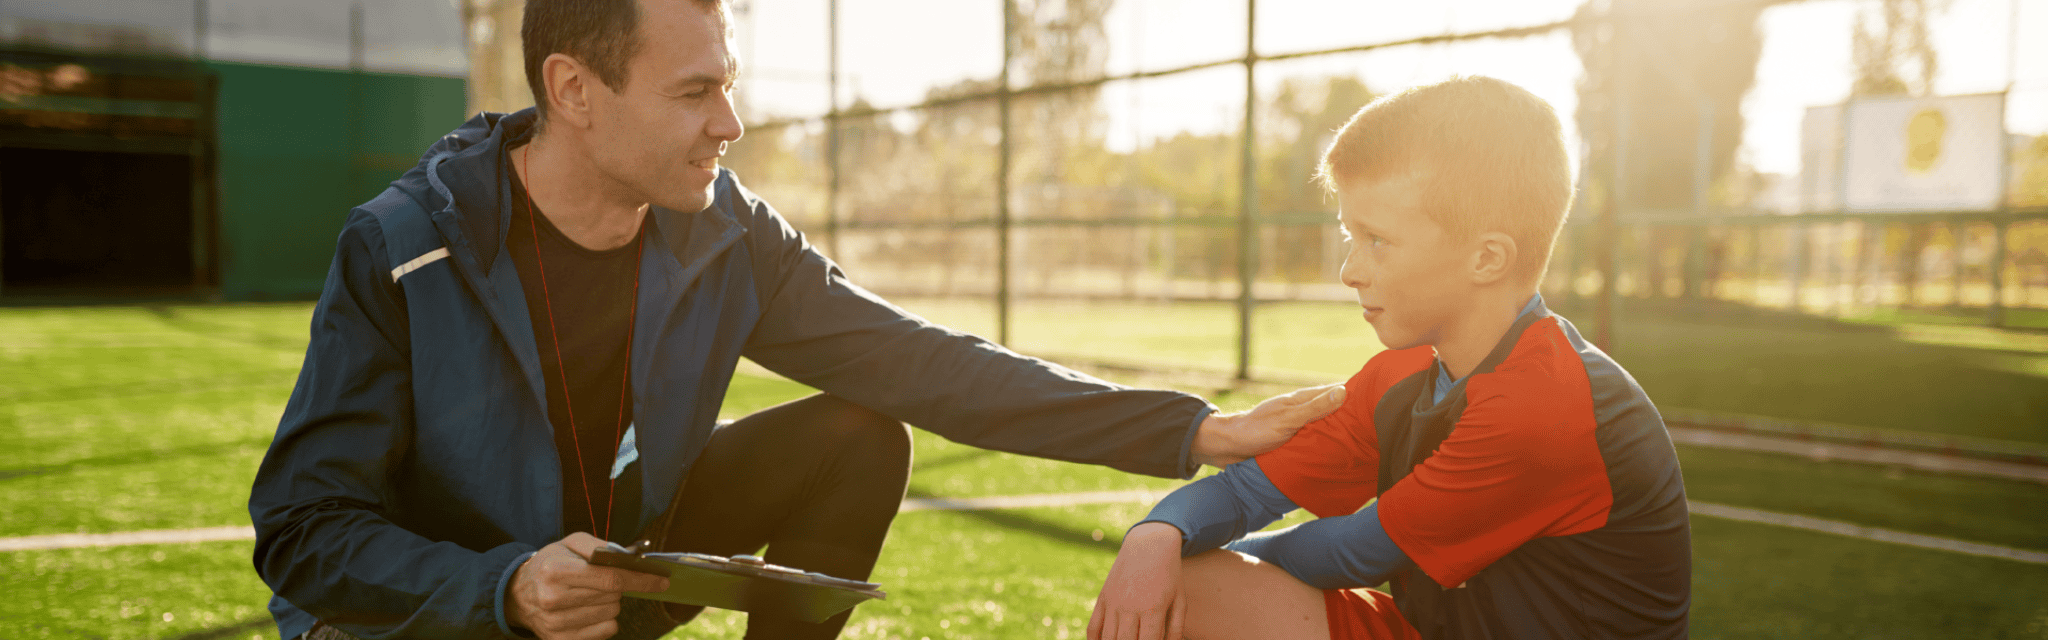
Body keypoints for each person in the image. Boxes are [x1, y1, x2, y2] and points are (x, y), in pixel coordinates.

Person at [244, 0, 1345, 639]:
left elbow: (924, 366)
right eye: (692, 94)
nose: (729, 122)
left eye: (726, 84)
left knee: (859, 434)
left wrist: (1195, 430)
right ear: (573, 91)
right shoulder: (403, 243)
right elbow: (299, 531)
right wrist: (504, 585)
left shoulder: (721, 232)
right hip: (455, 612)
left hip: (602, 579)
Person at [1087, 76, 1692, 640]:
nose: (1350, 271)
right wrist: (1157, 535)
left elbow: (1354, 551)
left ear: (1487, 259)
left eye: (1377, 241)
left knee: (1186, 583)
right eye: (1352, 238)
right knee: (1188, 584)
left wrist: (1195, 557)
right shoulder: (1402, 374)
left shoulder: (1545, 403)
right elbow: (1246, 493)